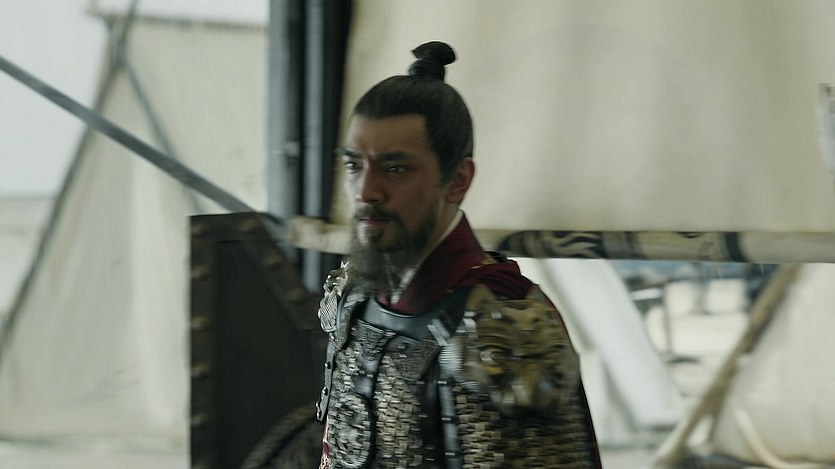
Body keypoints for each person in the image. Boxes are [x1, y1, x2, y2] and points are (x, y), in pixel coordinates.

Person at [313, 41, 602, 469]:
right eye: (354, 166)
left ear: (457, 181)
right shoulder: (354, 296)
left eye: (395, 168)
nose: (366, 191)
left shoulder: (501, 327)